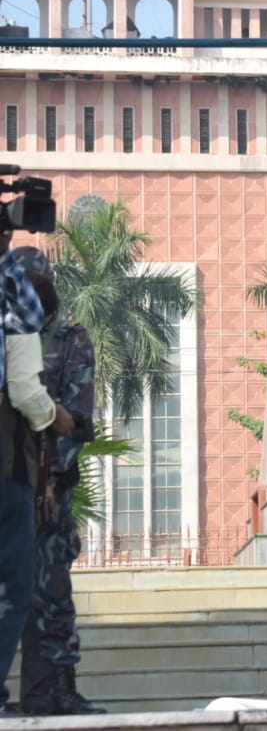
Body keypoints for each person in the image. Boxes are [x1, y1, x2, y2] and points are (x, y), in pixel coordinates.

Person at [16, 258, 103, 716]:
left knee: (51, 596)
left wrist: (49, 481)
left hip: (47, 491)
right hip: (12, 483)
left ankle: (55, 693)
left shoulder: (68, 338)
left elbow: (77, 420)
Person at [0, 229, 74, 717]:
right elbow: (27, 392)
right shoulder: (12, 285)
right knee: (12, 588)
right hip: (6, 463)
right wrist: (56, 417)